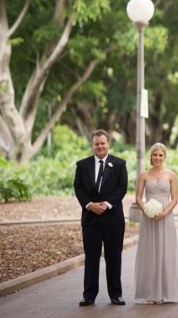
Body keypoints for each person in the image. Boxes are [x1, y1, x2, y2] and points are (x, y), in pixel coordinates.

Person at [73, 129, 128, 306]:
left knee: (114, 257)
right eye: (97, 144)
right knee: (91, 257)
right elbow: (78, 188)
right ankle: (89, 295)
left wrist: (106, 204)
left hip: (113, 219)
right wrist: (89, 205)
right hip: (91, 219)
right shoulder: (82, 165)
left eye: (103, 143)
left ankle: (115, 294)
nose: (100, 146)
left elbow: (122, 187)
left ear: (108, 144)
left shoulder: (119, 164)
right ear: (92, 145)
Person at [134, 143, 178, 304]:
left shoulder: (171, 175)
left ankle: (164, 292)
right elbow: (138, 198)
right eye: (155, 155)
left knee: (164, 252)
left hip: (166, 217)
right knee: (149, 252)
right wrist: (146, 210)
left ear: (165, 156)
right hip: (148, 219)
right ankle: (150, 293)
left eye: (161, 155)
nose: (158, 158)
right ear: (151, 156)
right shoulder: (143, 175)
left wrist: (164, 212)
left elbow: (175, 198)